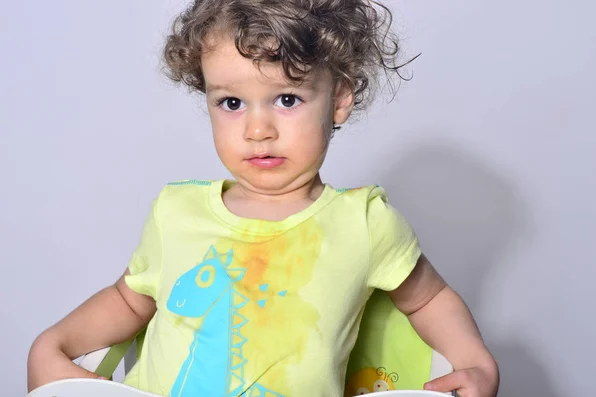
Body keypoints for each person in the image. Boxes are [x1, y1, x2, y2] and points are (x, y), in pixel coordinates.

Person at [27, 1, 499, 396]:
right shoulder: (177, 212)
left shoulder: (364, 222)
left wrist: (476, 363)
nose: (257, 131)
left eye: (286, 99)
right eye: (231, 103)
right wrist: (54, 345)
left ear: (338, 99)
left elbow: (428, 299)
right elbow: (128, 302)